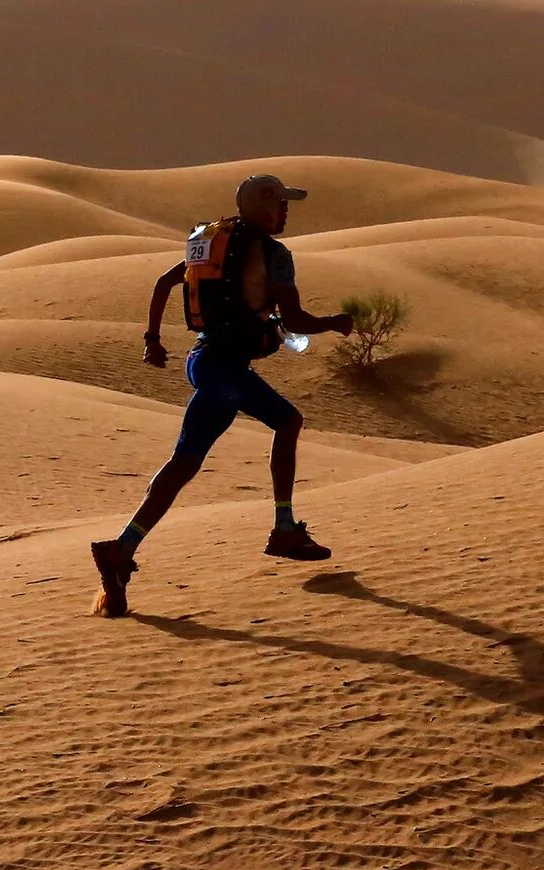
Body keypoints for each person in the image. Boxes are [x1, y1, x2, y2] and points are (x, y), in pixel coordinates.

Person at [90, 172, 355, 617]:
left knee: (214, 451)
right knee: (212, 451)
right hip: (226, 370)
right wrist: (334, 322)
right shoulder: (275, 254)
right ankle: (280, 528)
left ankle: (125, 550)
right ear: (266, 206)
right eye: (282, 204)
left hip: (208, 359)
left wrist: (153, 340)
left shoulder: (208, 240)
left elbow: (162, 284)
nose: (286, 212)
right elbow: (297, 318)